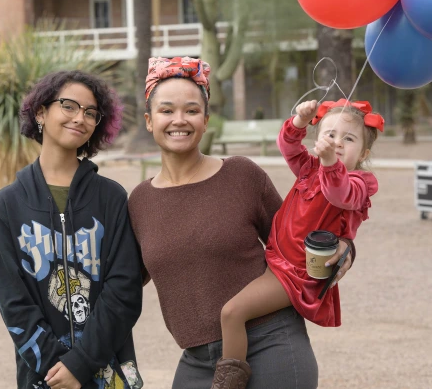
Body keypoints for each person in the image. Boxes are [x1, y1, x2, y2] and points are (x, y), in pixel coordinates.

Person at [127, 57, 356, 389]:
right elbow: (125, 281)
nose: (180, 120)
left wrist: (346, 246)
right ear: (149, 121)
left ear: (206, 121)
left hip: (271, 343)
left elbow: (295, 234)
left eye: (191, 111)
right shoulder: (140, 201)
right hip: (196, 360)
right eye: (166, 111)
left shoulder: (241, 175)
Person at [0, 70, 144, 389]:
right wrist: (58, 369)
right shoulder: (7, 205)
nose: (80, 118)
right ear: (41, 112)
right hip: (44, 378)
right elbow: (13, 301)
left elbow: (124, 290)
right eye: (69, 106)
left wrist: (82, 363)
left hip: (108, 370)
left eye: (90, 112)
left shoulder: (111, 197)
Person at [217, 98, 384, 387]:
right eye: (330, 134)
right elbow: (289, 148)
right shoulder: (310, 168)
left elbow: (339, 194)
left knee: (231, 313)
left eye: (349, 138)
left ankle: (228, 383)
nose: (338, 142)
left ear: (364, 151)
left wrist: (331, 163)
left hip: (297, 273)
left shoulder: (361, 182)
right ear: (318, 137)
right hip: (276, 257)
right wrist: (299, 122)